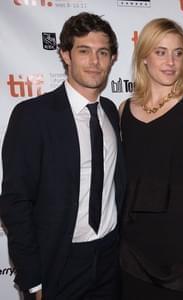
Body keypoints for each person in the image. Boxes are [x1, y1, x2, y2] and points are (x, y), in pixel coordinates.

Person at [0, 12, 124, 300]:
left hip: (110, 261)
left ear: (112, 58)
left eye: (102, 52)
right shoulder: (33, 116)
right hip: (58, 265)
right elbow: (16, 202)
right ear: (66, 55)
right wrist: (32, 280)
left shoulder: (111, 112)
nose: (94, 61)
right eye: (84, 51)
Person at [119, 18, 183, 300]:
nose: (170, 61)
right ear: (144, 57)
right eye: (160, 52)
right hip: (134, 247)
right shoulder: (123, 109)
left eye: (177, 52)